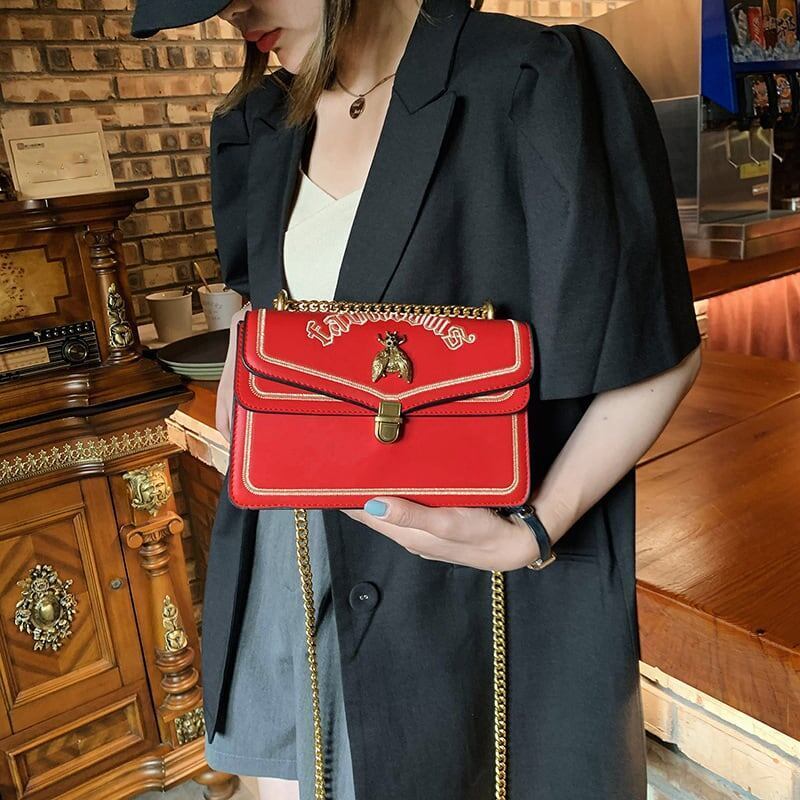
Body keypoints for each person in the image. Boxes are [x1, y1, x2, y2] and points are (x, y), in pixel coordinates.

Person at [131, 1, 703, 798]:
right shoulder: (261, 122)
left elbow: (655, 350)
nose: (234, 13)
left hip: (476, 584)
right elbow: (261, 311)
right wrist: (248, 379)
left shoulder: (533, 80)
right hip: (293, 561)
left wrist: (535, 531)